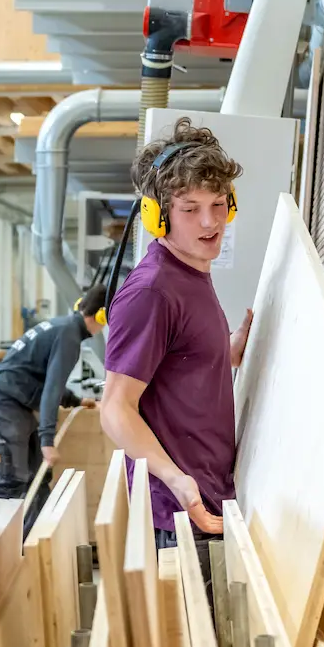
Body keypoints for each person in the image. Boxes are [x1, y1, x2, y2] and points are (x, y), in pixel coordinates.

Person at [99, 118, 253, 582]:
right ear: (158, 216)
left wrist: (229, 352)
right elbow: (114, 409)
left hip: (207, 498)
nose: (210, 223)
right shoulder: (153, 291)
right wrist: (177, 481)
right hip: (180, 514)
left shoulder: (192, 275)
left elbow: (177, 364)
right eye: (190, 208)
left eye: (218, 205)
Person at [0, 283, 104, 520]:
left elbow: (45, 378)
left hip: (18, 401)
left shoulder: (64, 328)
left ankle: (33, 547)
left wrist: (77, 400)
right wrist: (47, 440)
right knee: (13, 481)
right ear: (101, 315)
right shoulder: (69, 336)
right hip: (6, 402)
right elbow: (51, 387)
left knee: (38, 478)